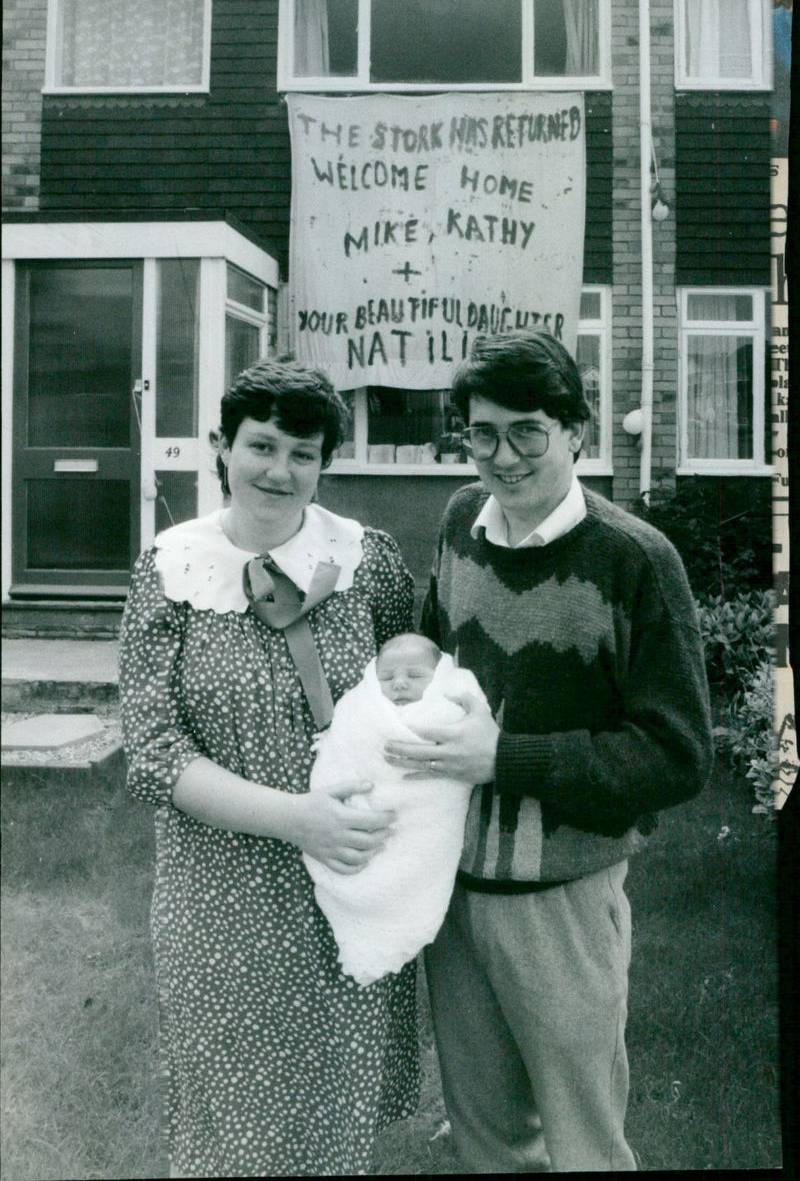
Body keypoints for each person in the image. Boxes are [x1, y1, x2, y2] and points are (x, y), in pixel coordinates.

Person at [385, 330, 713, 1174]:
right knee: (487, 1142)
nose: (504, 454)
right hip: (451, 896)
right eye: (483, 432)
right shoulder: (461, 519)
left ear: (576, 429)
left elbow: (678, 754)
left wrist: (507, 758)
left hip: (563, 905)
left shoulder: (637, 559)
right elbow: (434, 647)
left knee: (584, 1146)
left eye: (528, 429)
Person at [118, 358, 420, 1179]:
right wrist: (299, 818)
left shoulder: (370, 562)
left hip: (348, 891)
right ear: (223, 445)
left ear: (325, 463)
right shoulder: (168, 569)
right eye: (262, 444)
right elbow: (153, 752)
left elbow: (413, 689)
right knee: (229, 1136)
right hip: (220, 902)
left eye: (304, 452)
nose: (279, 470)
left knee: (332, 1135)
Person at [305, 635, 486, 987]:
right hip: (365, 814)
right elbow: (348, 742)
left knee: (412, 866)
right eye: (387, 677)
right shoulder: (363, 707)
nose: (399, 683)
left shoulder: (447, 706)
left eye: (414, 676)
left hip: (424, 818)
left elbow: (465, 737)